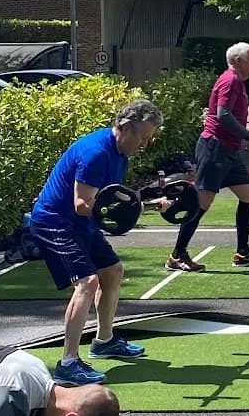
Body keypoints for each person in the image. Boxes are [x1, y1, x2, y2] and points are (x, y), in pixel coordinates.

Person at [30, 99, 168, 387]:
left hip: (80, 223)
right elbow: (82, 204)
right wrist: (132, 209)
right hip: (56, 222)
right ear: (126, 127)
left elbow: (111, 197)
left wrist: (150, 203)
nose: (145, 143)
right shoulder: (96, 153)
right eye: (142, 136)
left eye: (148, 137)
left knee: (112, 271)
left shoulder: (119, 153)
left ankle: (104, 341)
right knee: (87, 283)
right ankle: (67, 363)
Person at [165, 42, 249, 273]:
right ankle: (176, 255)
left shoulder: (237, 82)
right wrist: (248, 136)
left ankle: (243, 252)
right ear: (238, 61)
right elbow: (222, 115)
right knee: (200, 204)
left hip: (229, 151)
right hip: (215, 149)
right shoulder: (230, 80)